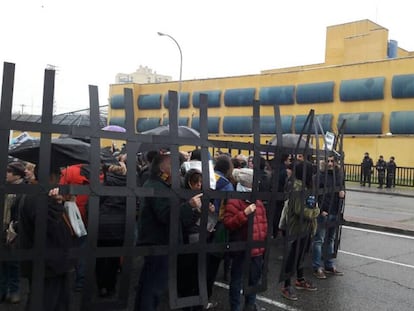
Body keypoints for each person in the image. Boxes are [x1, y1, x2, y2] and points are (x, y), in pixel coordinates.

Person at [134, 150, 200, 311]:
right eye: (173, 166)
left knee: (149, 284)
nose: (177, 171)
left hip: (161, 242)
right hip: (159, 243)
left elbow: (179, 219)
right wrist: (189, 206)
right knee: (153, 287)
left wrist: (195, 210)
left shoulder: (162, 186)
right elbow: (167, 216)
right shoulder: (157, 187)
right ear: (163, 169)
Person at [18, 166, 75, 311]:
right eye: (58, 174)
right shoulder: (40, 198)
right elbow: (50, 228)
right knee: (47, 302)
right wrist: (56, 205)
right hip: (49, 262)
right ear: (50, 176)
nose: (60, 178)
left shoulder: (35, 194)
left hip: (46, 261)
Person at [223, 168, 267, 311]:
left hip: (257, 249)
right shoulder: (235, 200)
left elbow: (263, 223)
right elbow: (229, 223)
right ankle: (235, 307)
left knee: (253, 280)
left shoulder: (257, 201)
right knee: (237, 281)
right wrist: (244, 214)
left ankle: (250, 305)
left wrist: (263, 244)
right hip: (241, 249)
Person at [280, 161, 320, 301]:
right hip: (296, 228)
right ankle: (286, 285)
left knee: (302, 254)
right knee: (293, 256)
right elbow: (300, 211)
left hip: (306, 228)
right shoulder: (297, 187)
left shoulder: (306, 186)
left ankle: (300, 279)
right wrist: (316, 211)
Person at [312, 154, 345, 279]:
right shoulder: (318, 177)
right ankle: (317, 267)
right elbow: (315, 195)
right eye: (328, 161)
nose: (330, 163)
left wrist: (342, 195)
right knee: (319, 240)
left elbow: (341, 191)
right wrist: (320, 210)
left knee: (330, 240)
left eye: (332, 161)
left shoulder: (339, 176)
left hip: (335, 212)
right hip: (324, 212)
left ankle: (329, 265)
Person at [0, 161, 27, 304]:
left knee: (13, 262)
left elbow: (22, 211)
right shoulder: (6, 187)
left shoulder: (24, 190)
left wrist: (15, 226)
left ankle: (15, 291)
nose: (6, 174)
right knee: (3, 262)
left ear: (16, 175)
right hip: (3, 228)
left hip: (15, 230)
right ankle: (3, 291)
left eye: (8, 172)